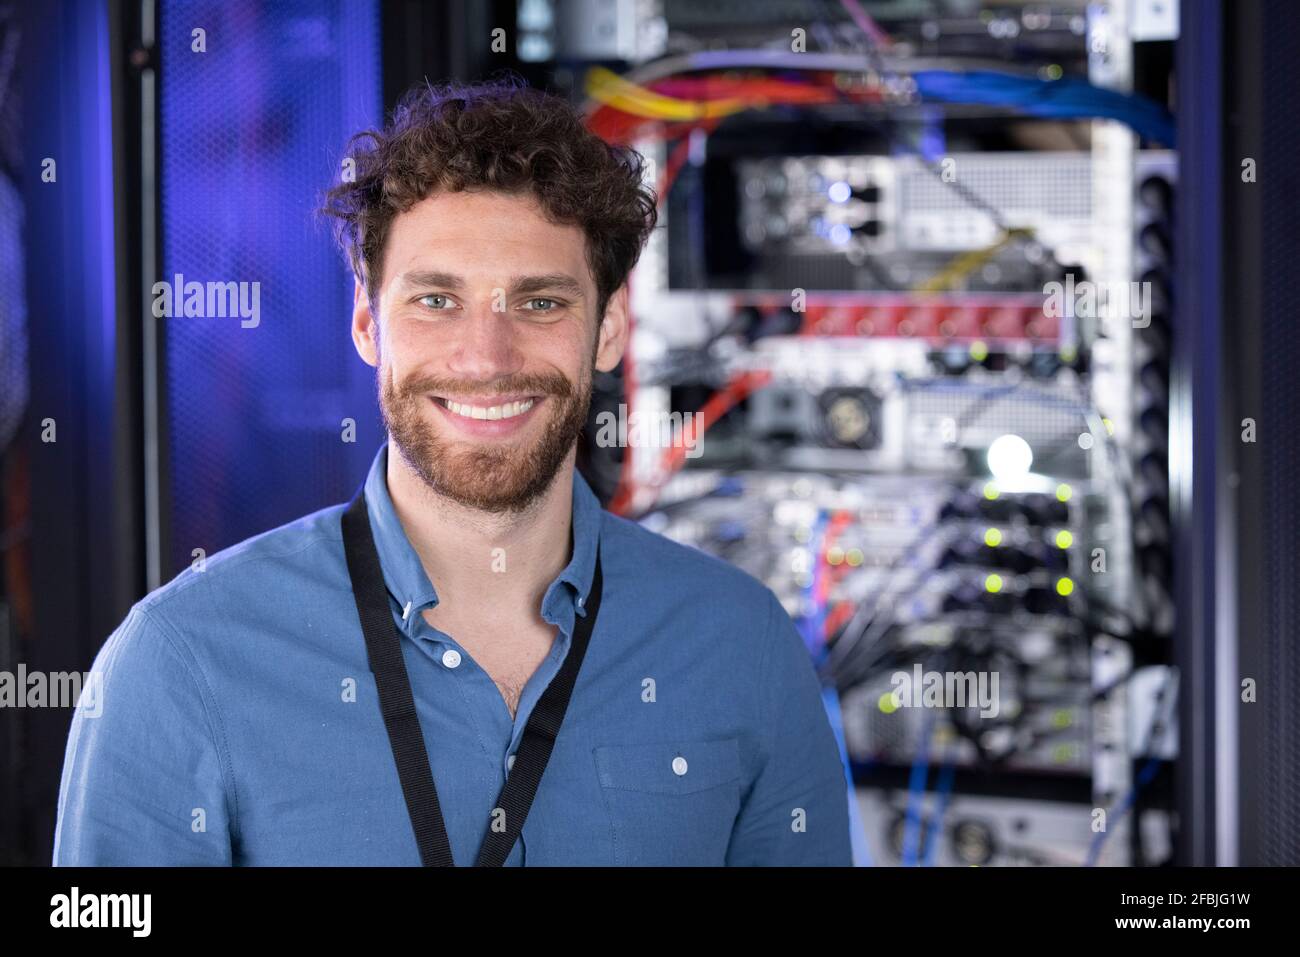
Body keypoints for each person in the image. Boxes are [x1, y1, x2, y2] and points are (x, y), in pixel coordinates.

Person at [53, 77, 853, 866]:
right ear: (369, 325)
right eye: (436, 301)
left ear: (608, 330)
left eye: (539, 302)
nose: (487, 357)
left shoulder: (741, 644)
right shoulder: (179, 660)